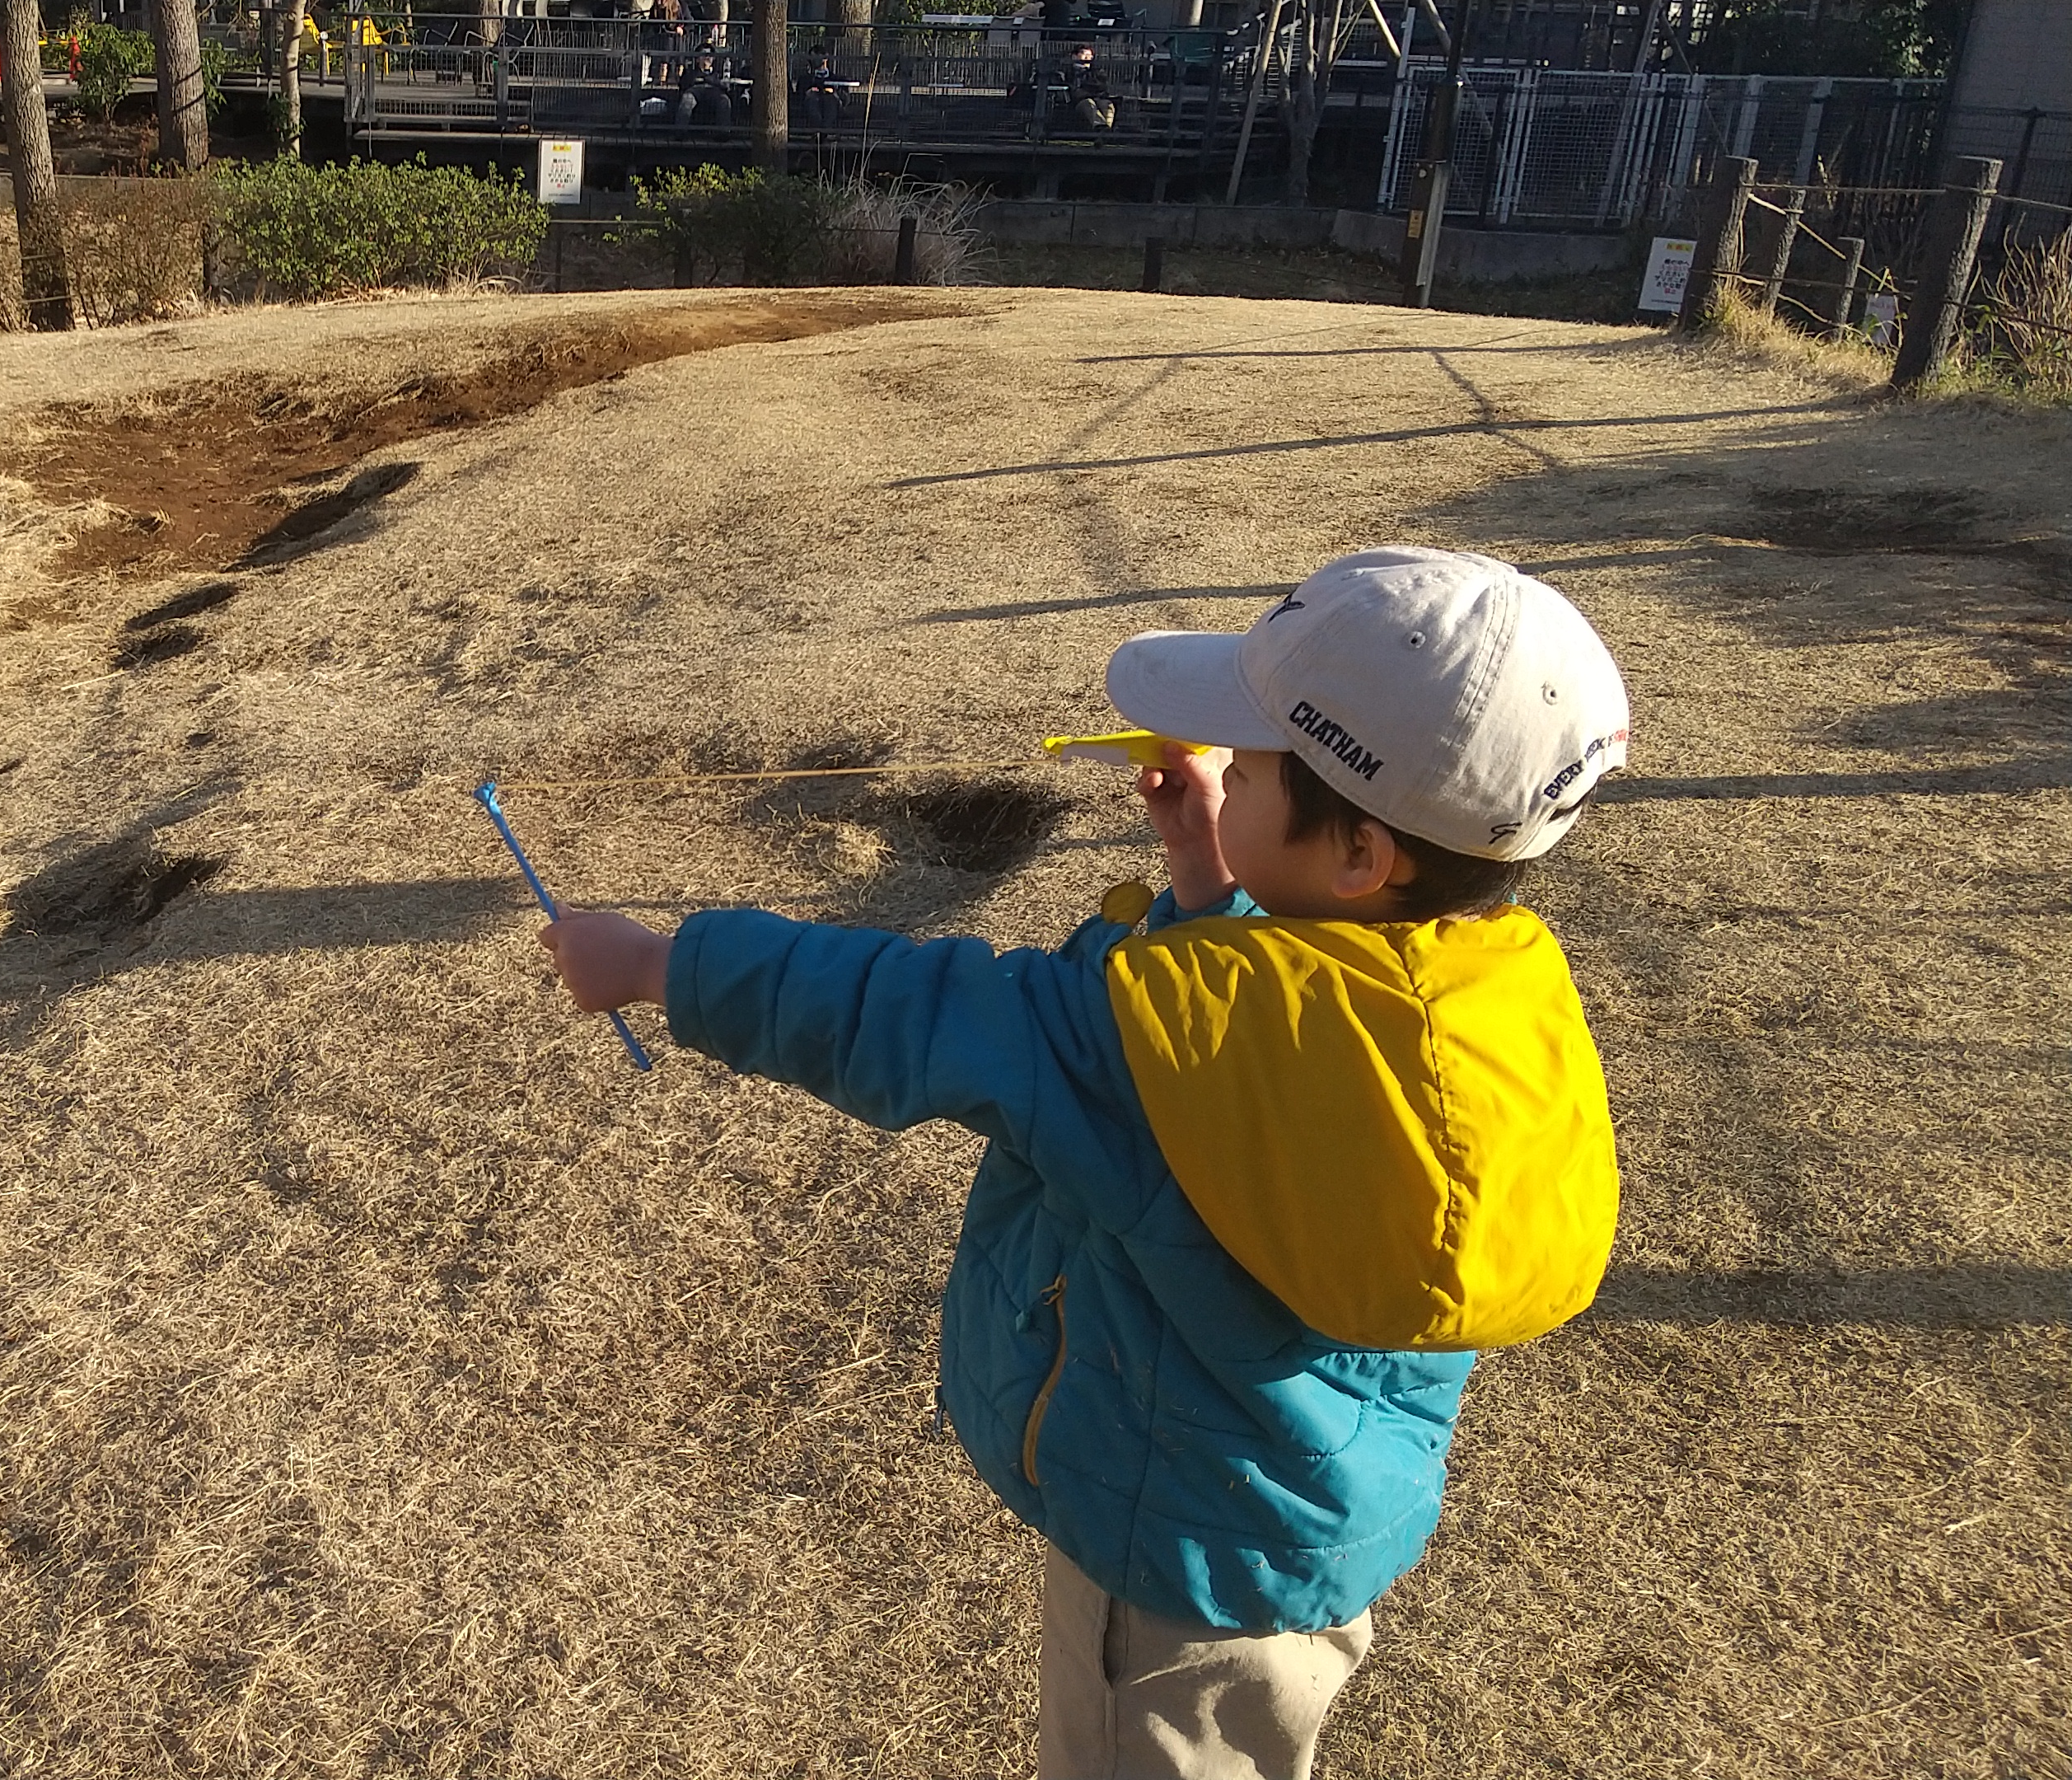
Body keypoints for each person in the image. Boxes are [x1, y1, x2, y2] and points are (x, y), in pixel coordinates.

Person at [536, 547, 1632, 1780]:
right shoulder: (1486, 997)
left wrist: (658, 967)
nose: (1229, 767)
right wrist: (1214, 879)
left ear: (1361, 857)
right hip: (1308, 1522)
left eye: (1257, 763)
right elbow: (1296, 1014)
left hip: (1170, 1558)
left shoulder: (1152, 1043)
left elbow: (919, 1011)